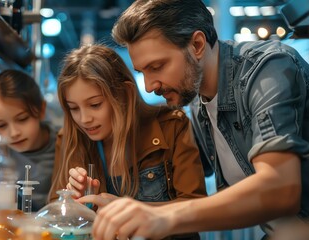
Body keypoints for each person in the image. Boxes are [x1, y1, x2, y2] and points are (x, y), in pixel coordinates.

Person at [91, 0, 309, 240]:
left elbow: (280, 191)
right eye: (142, 72)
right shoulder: (198, 101)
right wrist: (126, 210)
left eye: (157, 66)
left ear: (197, 45)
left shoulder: (266, 70)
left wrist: (165, 217)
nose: (149, 85)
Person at [48, 44, 206, 239]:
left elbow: (197, 210)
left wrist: (130, 212)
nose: (84, 119)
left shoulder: (172, 127)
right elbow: (54, 218)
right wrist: (74, 204)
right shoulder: (70, 137)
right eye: (73, 108)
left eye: (95, 105)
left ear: (126, 94)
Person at [0, 69, 58, 211]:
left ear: (41, 110)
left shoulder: (65, 144)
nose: (13, 133)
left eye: (22, 119)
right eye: (1, 125)